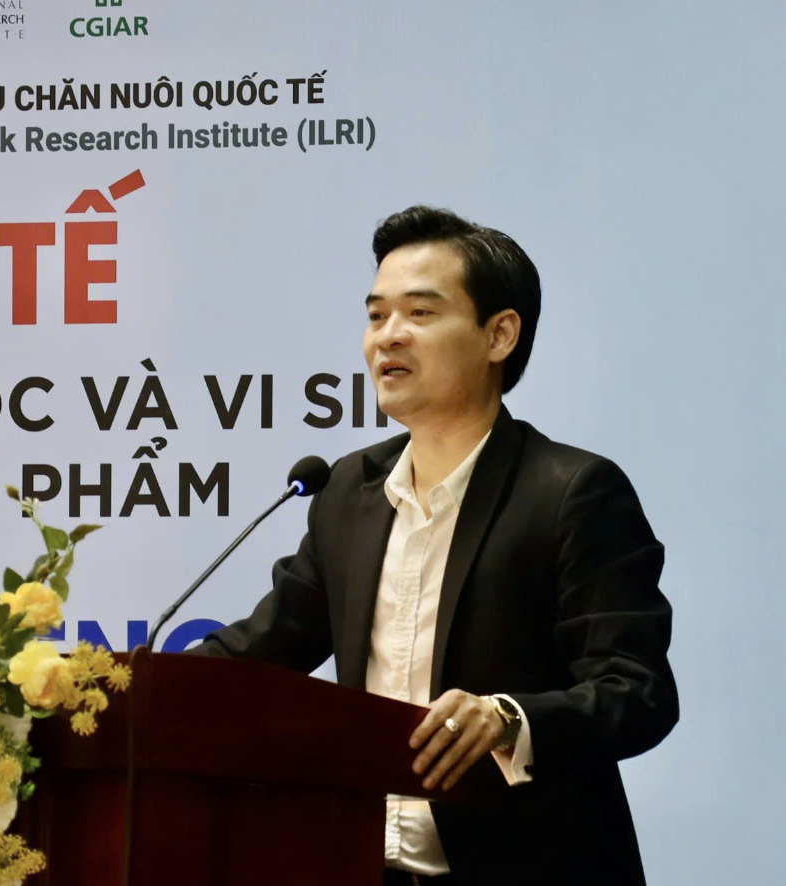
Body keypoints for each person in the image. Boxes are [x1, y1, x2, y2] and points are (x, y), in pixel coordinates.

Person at [190, 205, 678, 885]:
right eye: (376, 315)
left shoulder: (571, 493)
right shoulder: (348, 493)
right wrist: (100, 689)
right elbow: (261, 650)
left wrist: (508, 719)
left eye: (420, 313)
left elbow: (637, 692)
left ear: (499, 335)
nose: (388, 336)